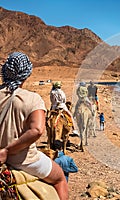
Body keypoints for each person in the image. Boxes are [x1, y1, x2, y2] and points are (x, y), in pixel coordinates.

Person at [0, 52, 68, 199]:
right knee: (60, 178)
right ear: (26, 74)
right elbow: (37, 130)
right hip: (24, 160)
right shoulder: (33, 98)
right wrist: (6, 150)